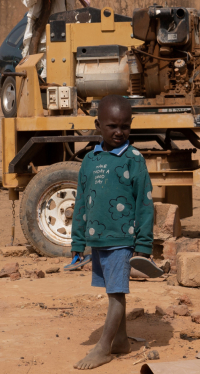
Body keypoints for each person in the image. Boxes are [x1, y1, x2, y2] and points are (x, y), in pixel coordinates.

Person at [68, 95, 154, 370]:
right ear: (98, 125)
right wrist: (78, 240)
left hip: (122, 240)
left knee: (117, 293)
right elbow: (81, 201)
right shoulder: (90, 160)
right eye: (112, 126)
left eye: (125, 126)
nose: (119, 132)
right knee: (112, 290)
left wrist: (143, 244)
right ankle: (120, 342)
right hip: (98, 239)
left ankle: (103, 348)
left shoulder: (134, 159)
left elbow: (145, 203)